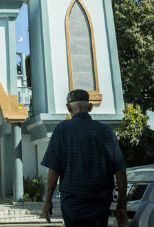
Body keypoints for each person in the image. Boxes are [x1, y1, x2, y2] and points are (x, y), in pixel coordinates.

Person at [41, 89, 128, 227]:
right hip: (100, 206)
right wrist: (121, 206)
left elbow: (54, 171)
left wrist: (48, 201)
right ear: (90, 107)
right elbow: (120, 171)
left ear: (69, 108)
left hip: (72, 207)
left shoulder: (62, 130)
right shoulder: (105, 131)